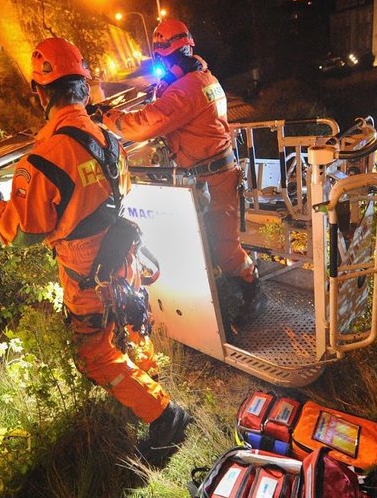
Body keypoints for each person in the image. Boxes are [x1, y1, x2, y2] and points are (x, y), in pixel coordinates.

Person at [0, 37, 190, 465]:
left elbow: (23, 232)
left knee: (93, 353)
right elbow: (120, 187)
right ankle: (145, 377)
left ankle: (164, 415)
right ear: (85, 87)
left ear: (40, 92)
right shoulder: (108, 138)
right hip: (121, 250)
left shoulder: (45, 156)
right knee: (131, 318)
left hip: (84, 266)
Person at [102, 19, 267, 329]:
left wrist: (111, 118)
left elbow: (146, 123)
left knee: (224, 247)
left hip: (213, 177)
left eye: (163, 59)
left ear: (169, 56)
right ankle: (227, 291)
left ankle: (252, 289)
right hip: (211, 173)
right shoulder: (201, 77)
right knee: (207, 240)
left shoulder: (187, 89)